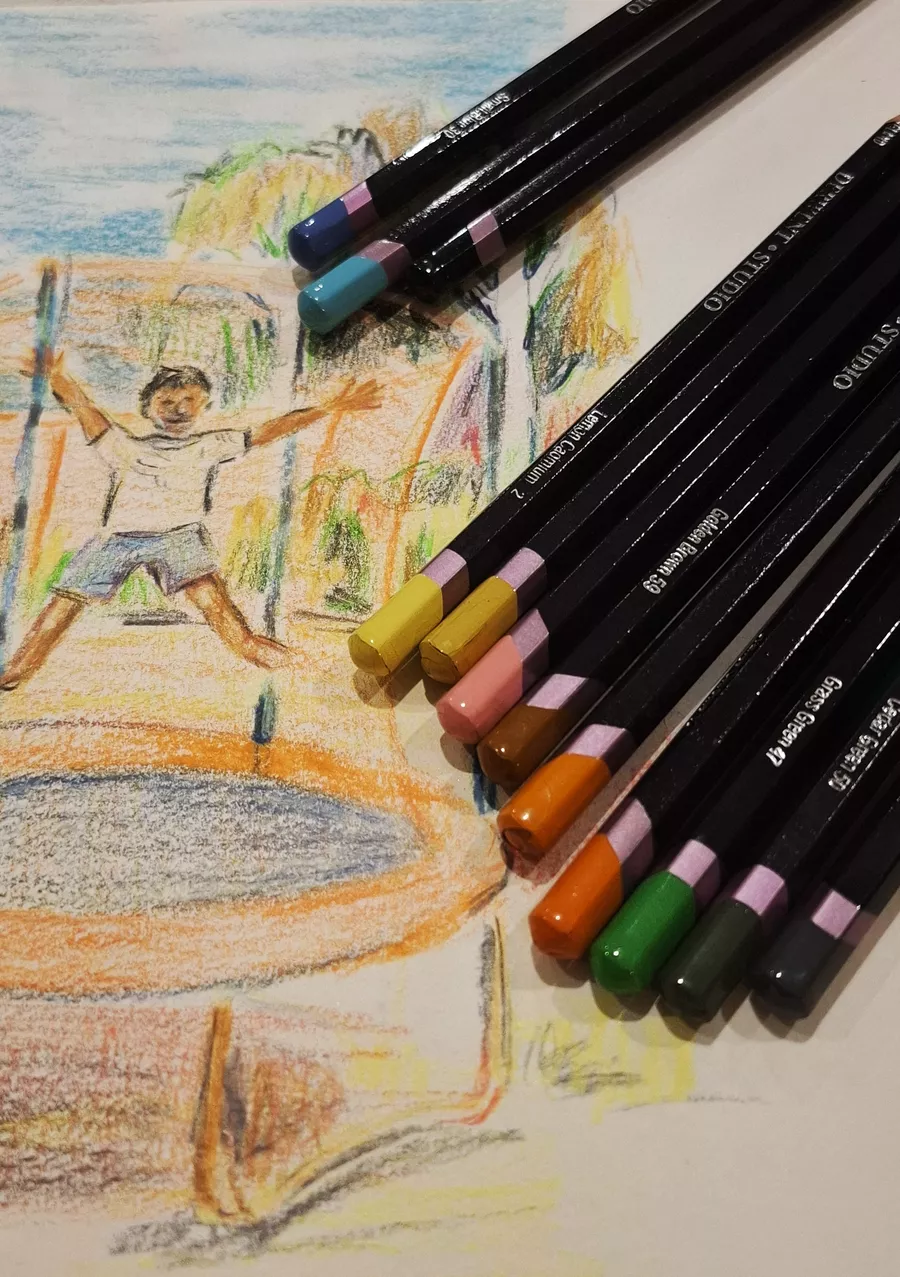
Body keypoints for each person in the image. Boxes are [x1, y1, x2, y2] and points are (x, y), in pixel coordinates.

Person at [0, 354, 379, 690]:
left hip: (180, 539)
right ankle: (16, 671)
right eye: (167, 402)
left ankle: (298, 667)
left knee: (229, 624)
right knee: (62, 606)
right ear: (149, 407)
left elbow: (270, 430)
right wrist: (57, 377)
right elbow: (84, 409)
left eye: (188, 401)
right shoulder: (124, 447)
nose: (178, 410)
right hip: (118, 539)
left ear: (203, 405)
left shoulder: (209, 445)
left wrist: (329, 407)